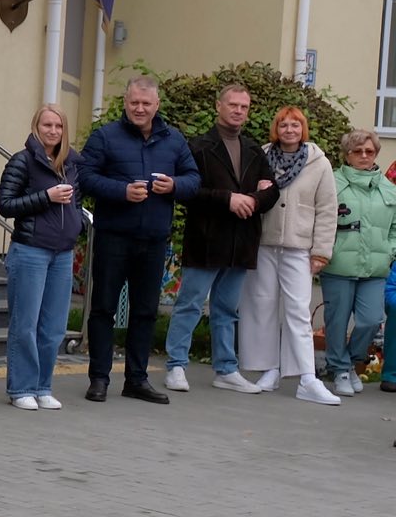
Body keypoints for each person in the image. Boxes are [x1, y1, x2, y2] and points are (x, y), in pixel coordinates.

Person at [75, 76, 198, 404]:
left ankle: (137, 379)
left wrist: (174, 186)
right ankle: (99, 379)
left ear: (157, 105)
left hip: (154, 239)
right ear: (125, 103)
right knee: (103, 308)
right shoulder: (105, 136)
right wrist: (122, 191)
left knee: (145, 312)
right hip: (113, 236)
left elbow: (193, 179)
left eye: (146, 103)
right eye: (134, 103)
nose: (139, 109)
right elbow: (84, 177)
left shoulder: (174, 139)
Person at [163, 84, 276, 394]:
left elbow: (272, 191)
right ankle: (176, 365)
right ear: (218, 106)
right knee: (190, 304)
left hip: (241, 241)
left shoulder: (254, 150)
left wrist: (253, 199)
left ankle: (226, 369)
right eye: (233, 104)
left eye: (244, 106)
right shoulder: (198, 147)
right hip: (207, 238)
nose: (238, 110)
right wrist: (227, 199)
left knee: (227, 309)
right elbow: (186, 191)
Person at [240, 107, 339, 403]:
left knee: (297, 310)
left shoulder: (318, 162)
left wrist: (321, 251)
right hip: (264, 243)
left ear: (303, 129)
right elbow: (247, 192)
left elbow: (327, 209)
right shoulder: (262, 156)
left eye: (295, 125)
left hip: (299, 247)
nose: (289, 130)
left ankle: (307, 377)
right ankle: (269, 369)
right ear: (276, 129)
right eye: (283, 125)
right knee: (262, 305)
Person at [0, 104, 83, 410]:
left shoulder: (71, 164)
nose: (53, 131)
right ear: (36, 127)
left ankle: (43, 386)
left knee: (54, 327)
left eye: (59, 126)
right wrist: (46, 197)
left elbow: (77, 201)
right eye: (47, 125)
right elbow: (5, 204)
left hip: (62, 254)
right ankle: (21, 388)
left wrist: (76, 224)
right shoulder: (22, 161)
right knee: (25, 324)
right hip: (30, 250)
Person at [323, 130, 396, 395]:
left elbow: (395, 227)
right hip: (338, 265)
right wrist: (327, 250)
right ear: (347, 155)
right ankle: (340, 369)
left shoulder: (389, 188)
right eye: (357, 151)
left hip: (375, 268)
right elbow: (320, 220)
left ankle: (351, 362)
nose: (364, 156)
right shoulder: (331, 182)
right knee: (337, 322)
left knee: (372, 320)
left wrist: (389, 250)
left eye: (369, 151)